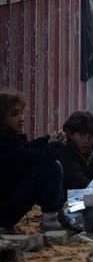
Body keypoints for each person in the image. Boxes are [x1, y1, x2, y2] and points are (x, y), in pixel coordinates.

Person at [0, 91, 65, 232]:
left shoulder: (9, 138)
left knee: (51, 166)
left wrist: (48, 140)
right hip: (3, 215)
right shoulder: (4, 142)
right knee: (53, 167)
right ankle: (50, 219)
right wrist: (54, 148)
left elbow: (26, 149)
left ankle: (57, 216)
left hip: (6, 210)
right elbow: (29, 159)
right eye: (15, 114)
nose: (22, 118)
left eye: (22, 113)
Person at [57, 110, 93, 195]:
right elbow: (76, 181)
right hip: (66, 196)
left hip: (83, 196)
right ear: (70, 134)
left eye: (90, 137)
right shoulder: (64, 150)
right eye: (82, 135)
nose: (86, 141)